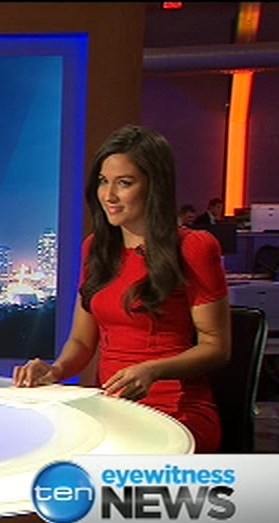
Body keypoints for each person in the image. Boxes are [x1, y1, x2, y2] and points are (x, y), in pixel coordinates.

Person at [13, 125, 230, 453]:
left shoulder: (193, 247)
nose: (109, 196)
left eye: (124, 183)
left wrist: (153, 371)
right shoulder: (96, 249)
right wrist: (54, 371)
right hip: (113, 408)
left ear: (154, 186)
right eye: (103, 181)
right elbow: (82, 341)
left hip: (176, 411)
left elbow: (216, 347)